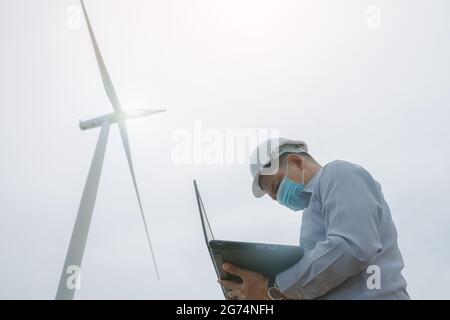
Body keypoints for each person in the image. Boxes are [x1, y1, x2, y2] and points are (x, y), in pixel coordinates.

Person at [218, 138, 410, 300]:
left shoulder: (338, 173)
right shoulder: (312, 211)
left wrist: (272, 288)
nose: (280, 200)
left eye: (277, 186)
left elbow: (351, 247)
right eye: (275, 198)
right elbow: (323, 279)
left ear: (296, 161)